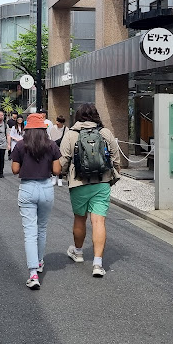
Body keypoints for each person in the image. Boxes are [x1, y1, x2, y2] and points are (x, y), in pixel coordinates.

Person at [59, 103, 121, 277]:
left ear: (78, 116)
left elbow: (64, 160)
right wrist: (114, 175)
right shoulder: (105, 133)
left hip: (78, 181)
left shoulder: (71, 133)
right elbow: (116, 159)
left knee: (80, 218)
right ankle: (97, 264)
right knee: (98, 222)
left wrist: (63, 175)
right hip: (102, 181)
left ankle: (78, 253)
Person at [12, 113, 61, 290]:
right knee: (42, 228)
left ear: (26, 129)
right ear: (43, 128)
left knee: (30, 232)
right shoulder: (51, 145)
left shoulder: (20, 145)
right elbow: (56, 171)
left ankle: (33, 273)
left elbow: (15, 169)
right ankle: (39, 262)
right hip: (46, 188)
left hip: (27, 189)